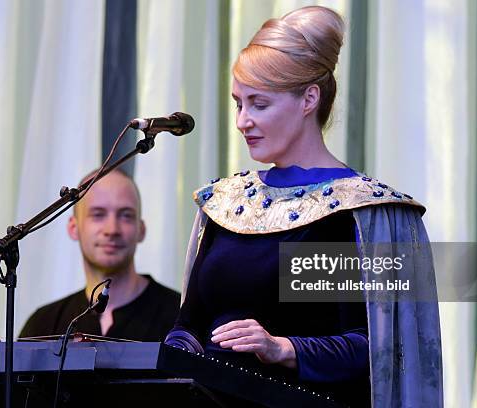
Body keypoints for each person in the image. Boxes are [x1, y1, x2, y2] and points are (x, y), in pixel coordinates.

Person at [166, 6, 443, 408]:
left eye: (259, 104)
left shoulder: (355, 213)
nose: (243, 121)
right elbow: (189, 324)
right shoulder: (223, 206)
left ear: (309, 99)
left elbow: (380, 348)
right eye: (238, 104)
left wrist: (281, 347)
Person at [20, 168, 180, 341]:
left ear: (141, 230)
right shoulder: (43, 325)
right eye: (98, 215)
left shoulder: (183, 320)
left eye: (126, 215)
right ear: (73, 228)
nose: (112, 229)